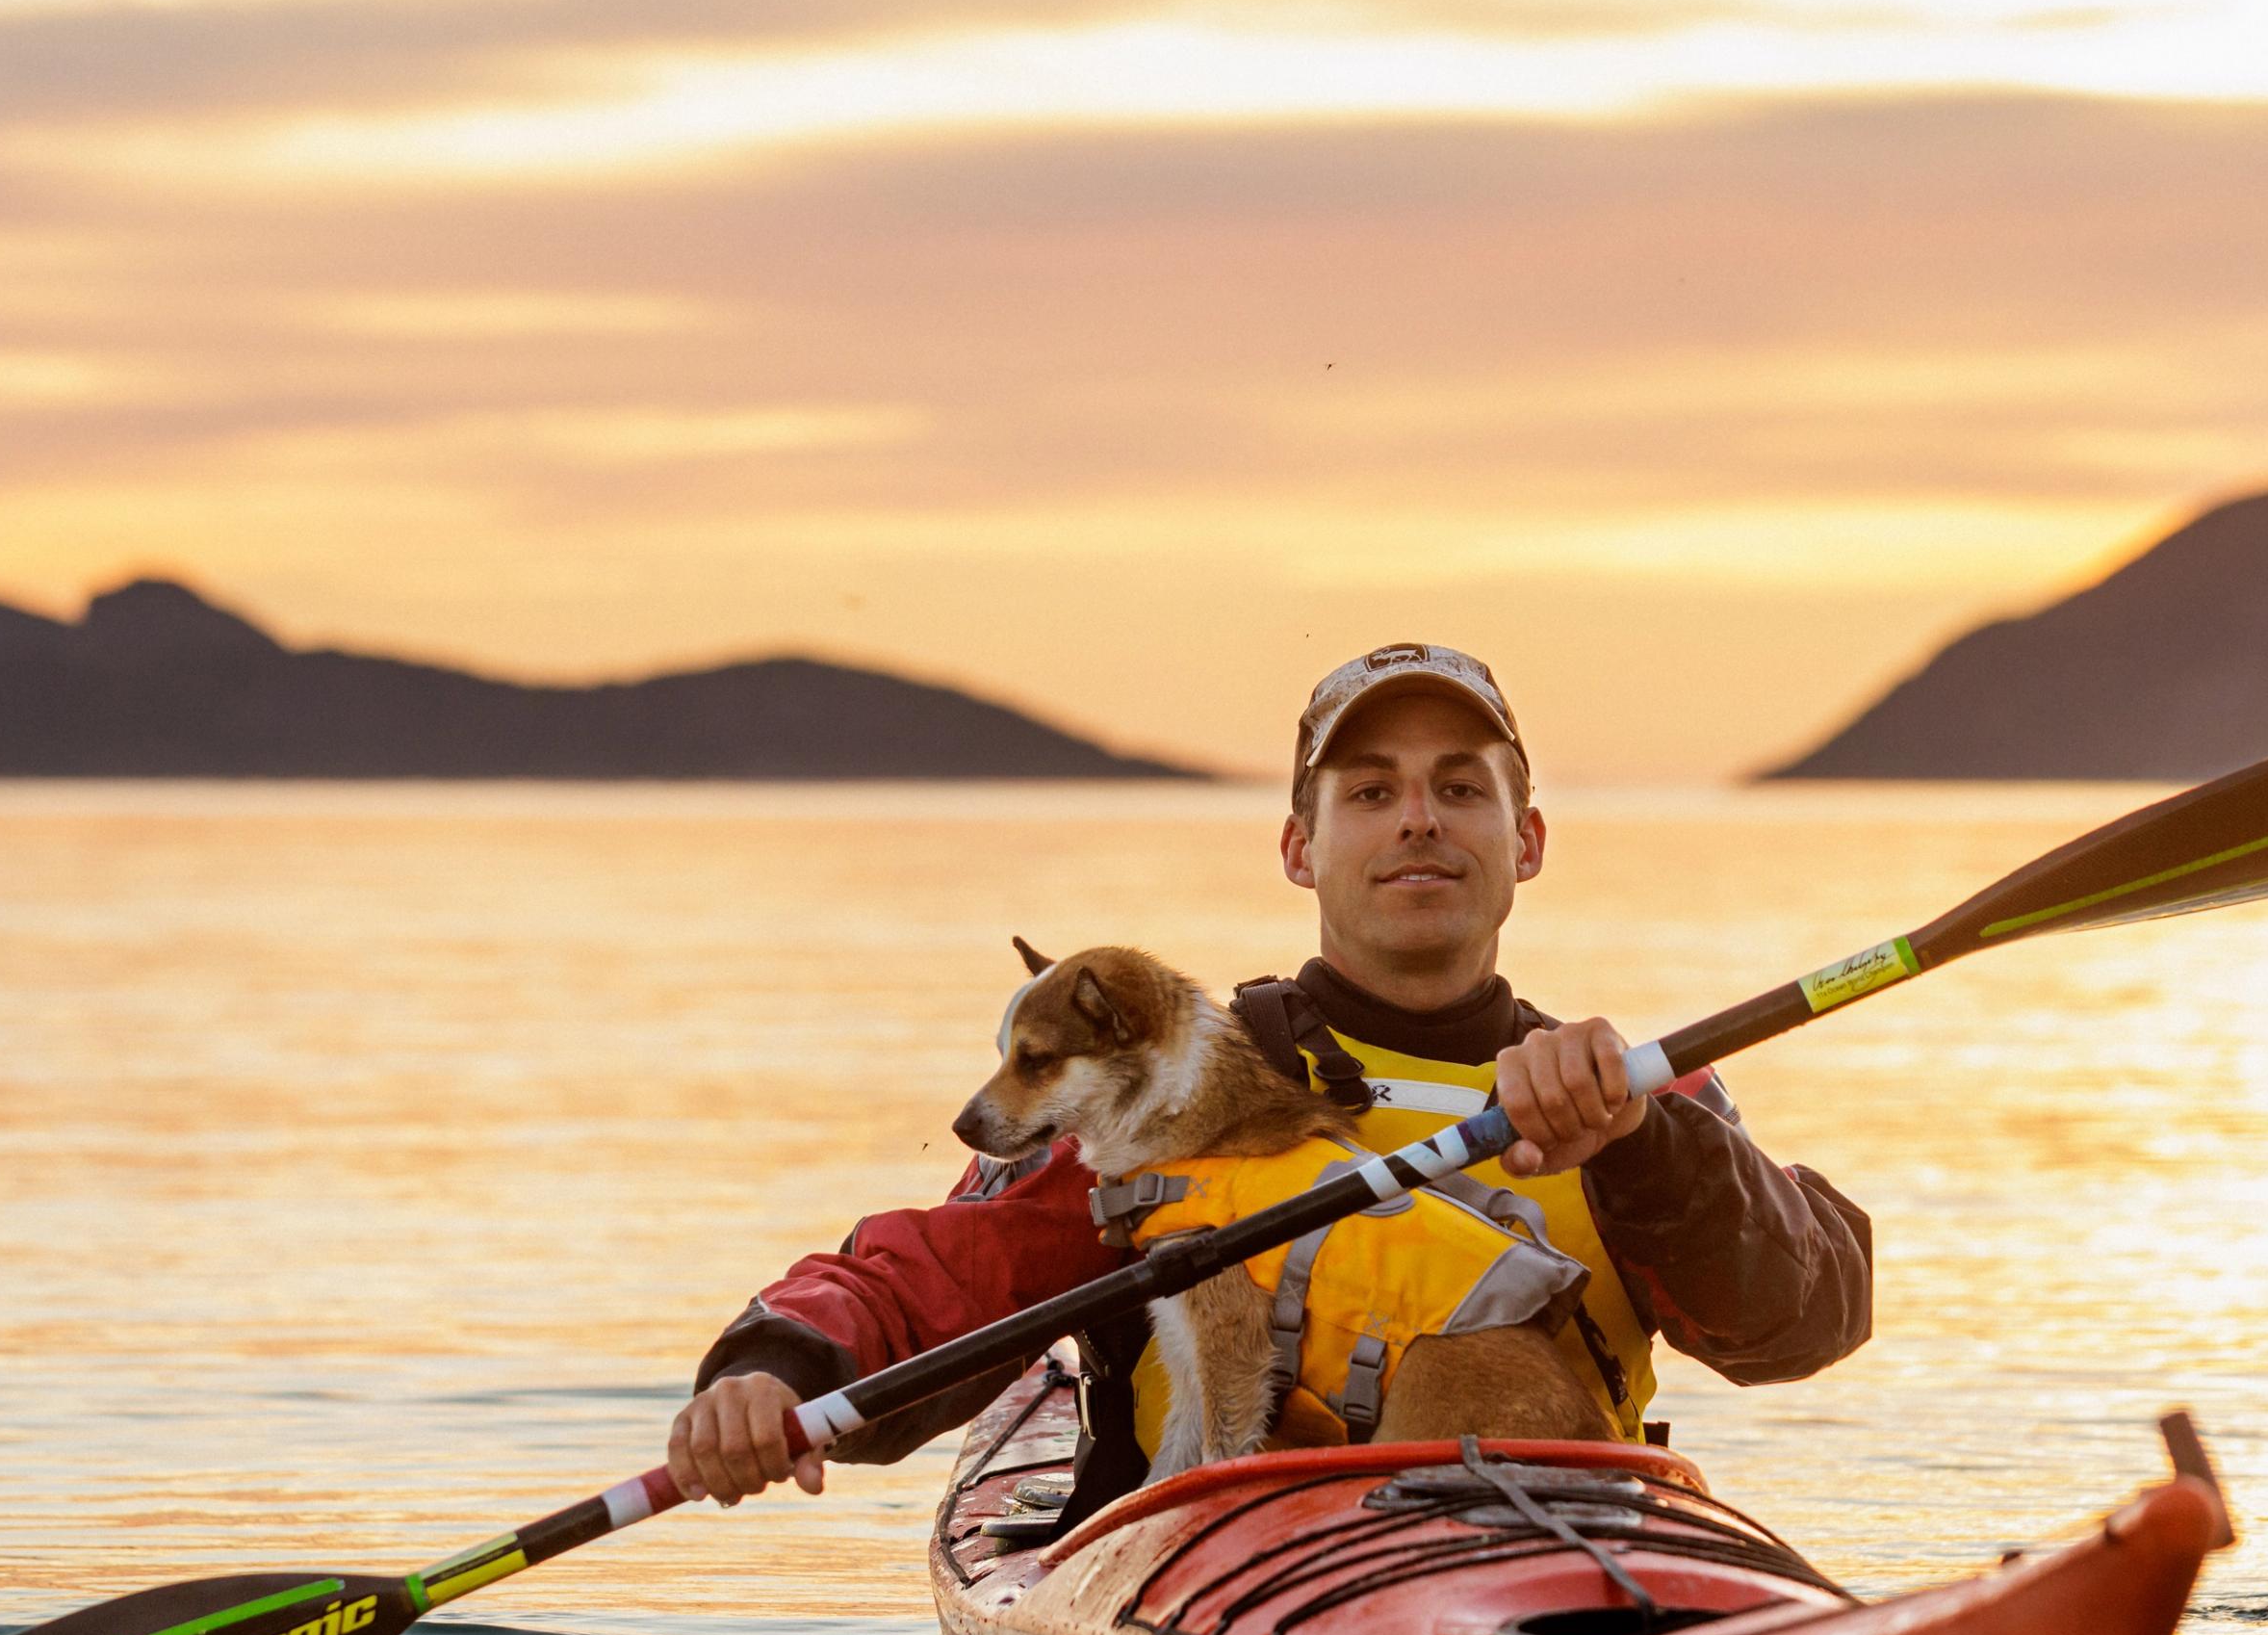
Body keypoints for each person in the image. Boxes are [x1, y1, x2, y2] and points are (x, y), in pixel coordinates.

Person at [667, 643, 1873, 1513]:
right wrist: (778, 1364)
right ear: (1300, 848)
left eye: (1462, 787)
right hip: (1219, 1573)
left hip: (1562, 1550)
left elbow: (1811, 1318)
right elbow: (949, 1269)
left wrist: (1642, 1144)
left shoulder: (1637, 1092)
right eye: (1369, 792)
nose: (1418, 821)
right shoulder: (1166, 1090)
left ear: (1529, 842)